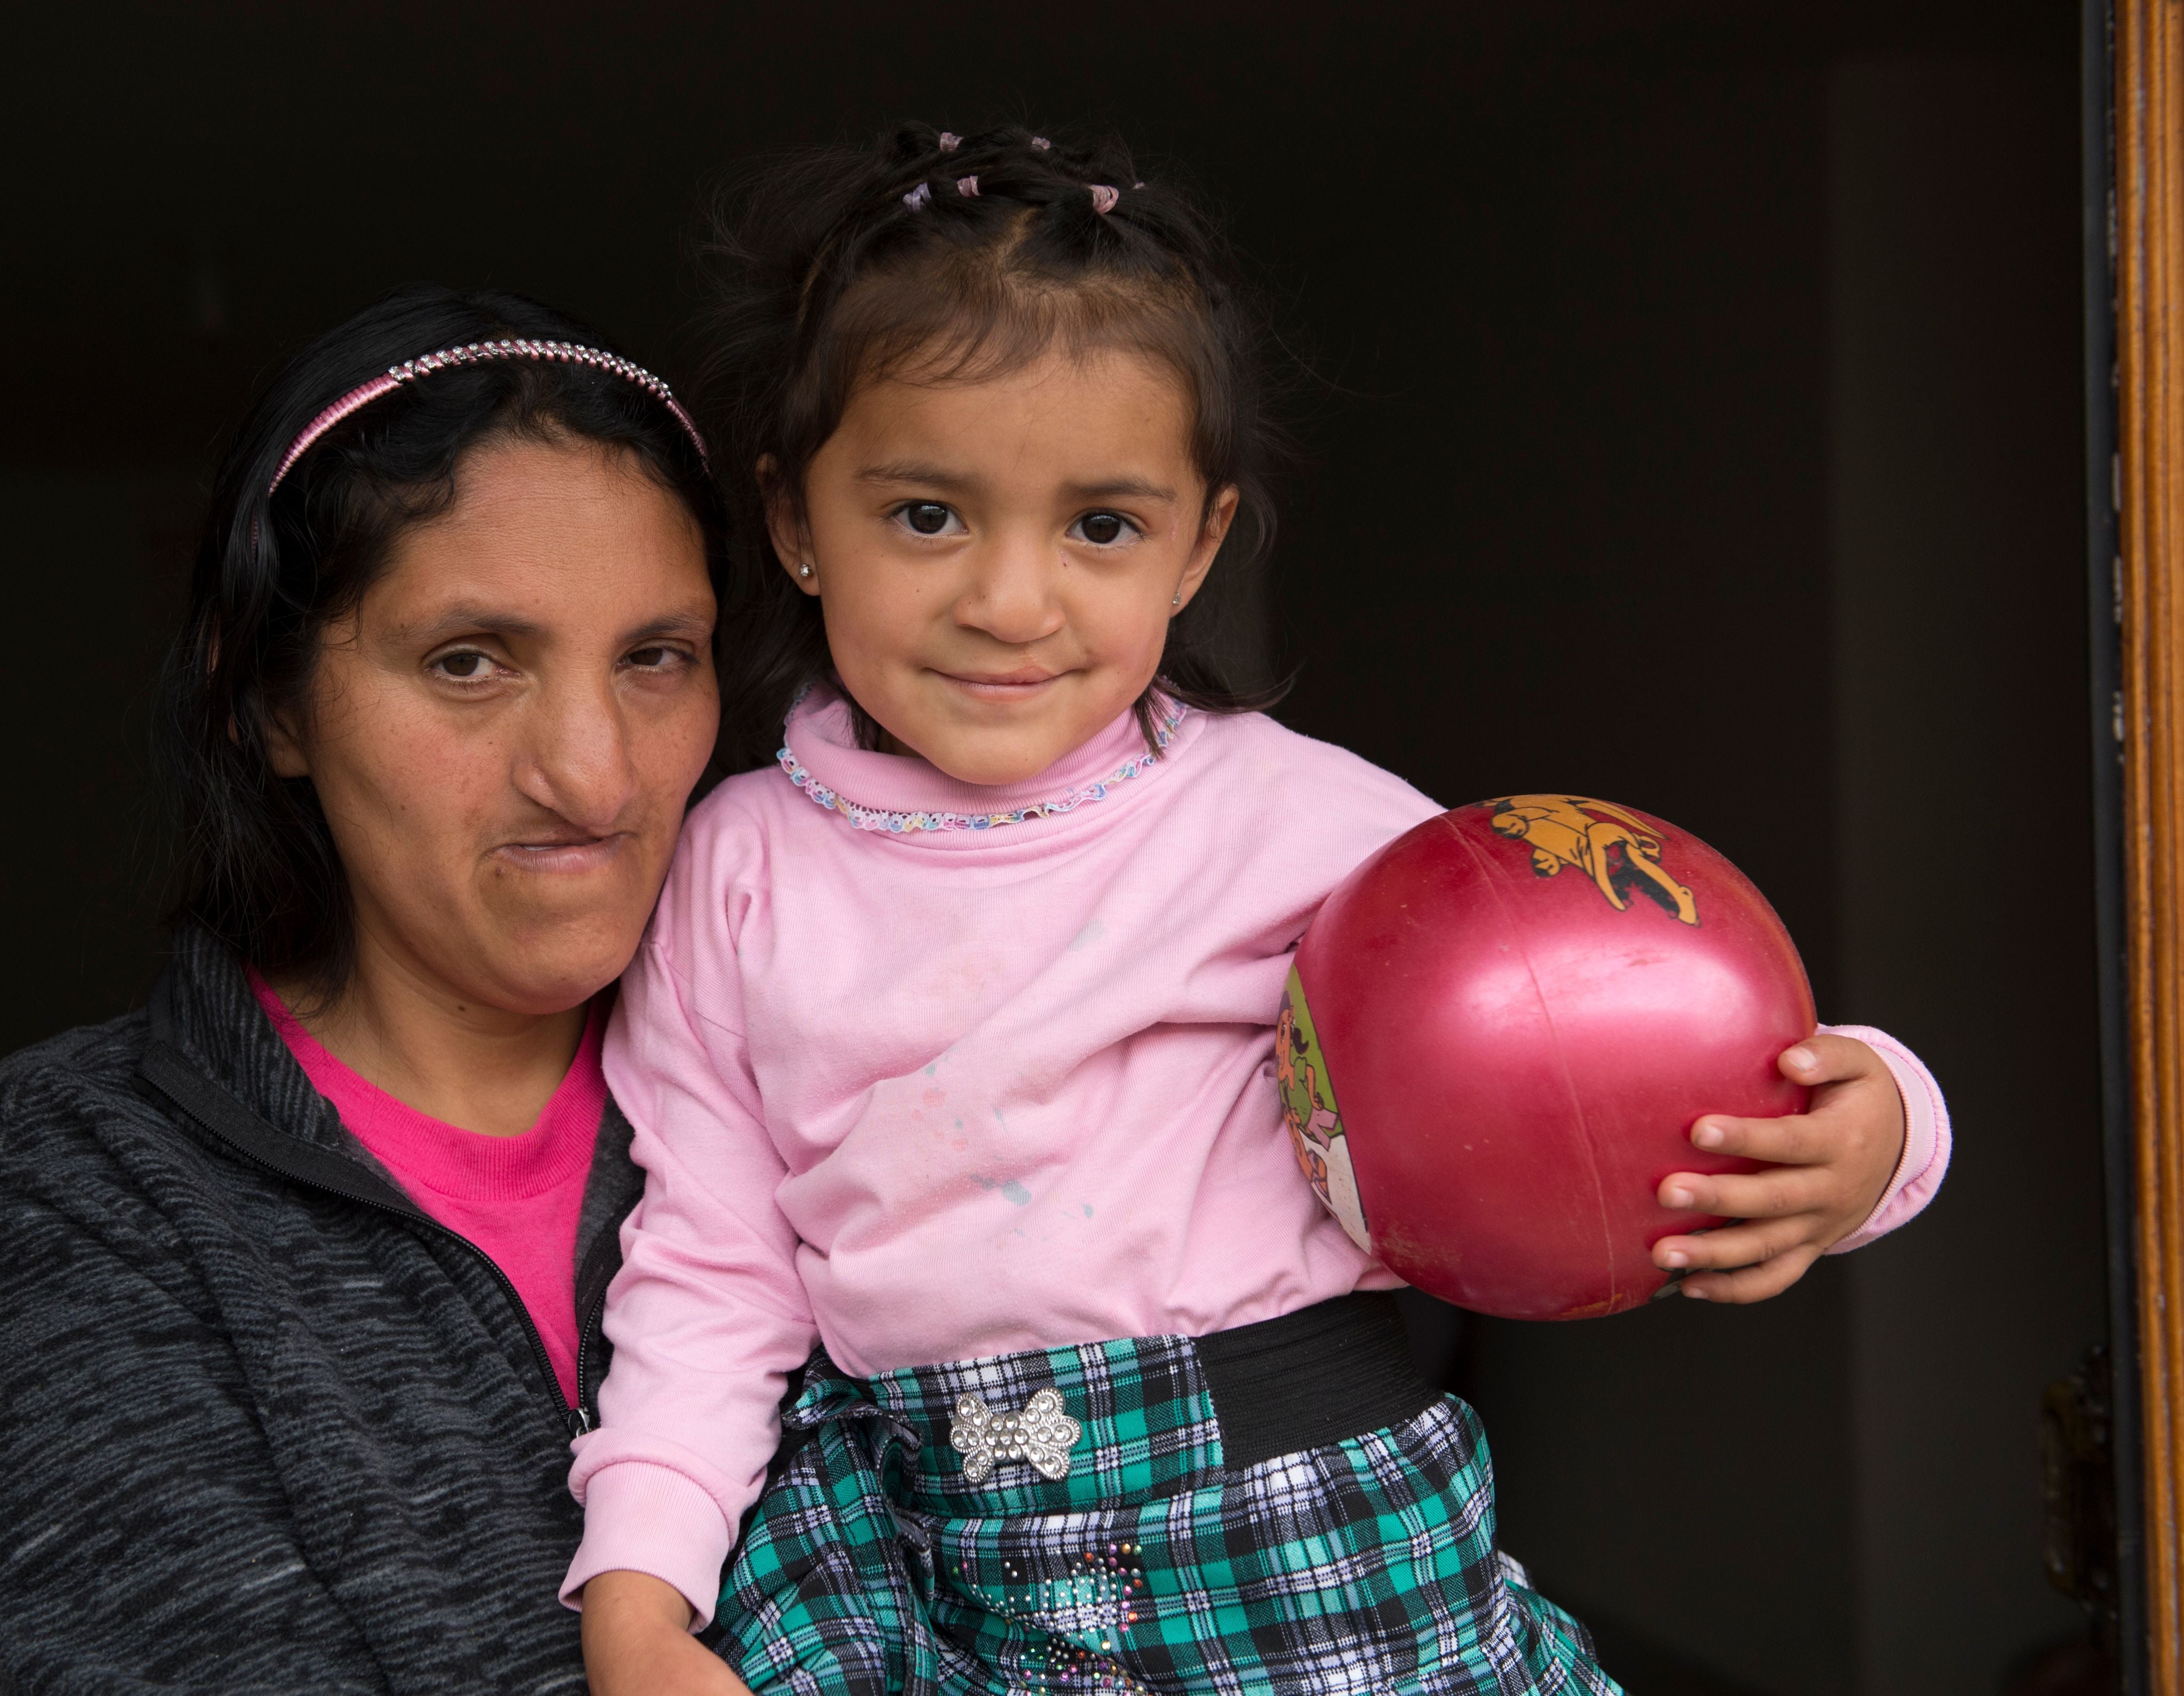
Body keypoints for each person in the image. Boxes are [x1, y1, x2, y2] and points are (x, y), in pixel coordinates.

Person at [568, 125, 1954, 1694]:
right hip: (938, 1552)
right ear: (795, 518)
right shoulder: (736, 871)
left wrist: (1880, 1133)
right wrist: (638, 1594)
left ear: (1199, 544)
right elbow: (708, 1268)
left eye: (1101, 526)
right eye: (928, 515)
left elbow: (1616, 1022)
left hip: (1311, 1521)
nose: (1011, 601)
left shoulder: (1307, 825)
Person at [0, 285, 723, 1692]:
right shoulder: (76, 1179)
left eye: (655, 658)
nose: (593, 774)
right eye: (470, 663)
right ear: (267, 701)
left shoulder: (845, 1106)